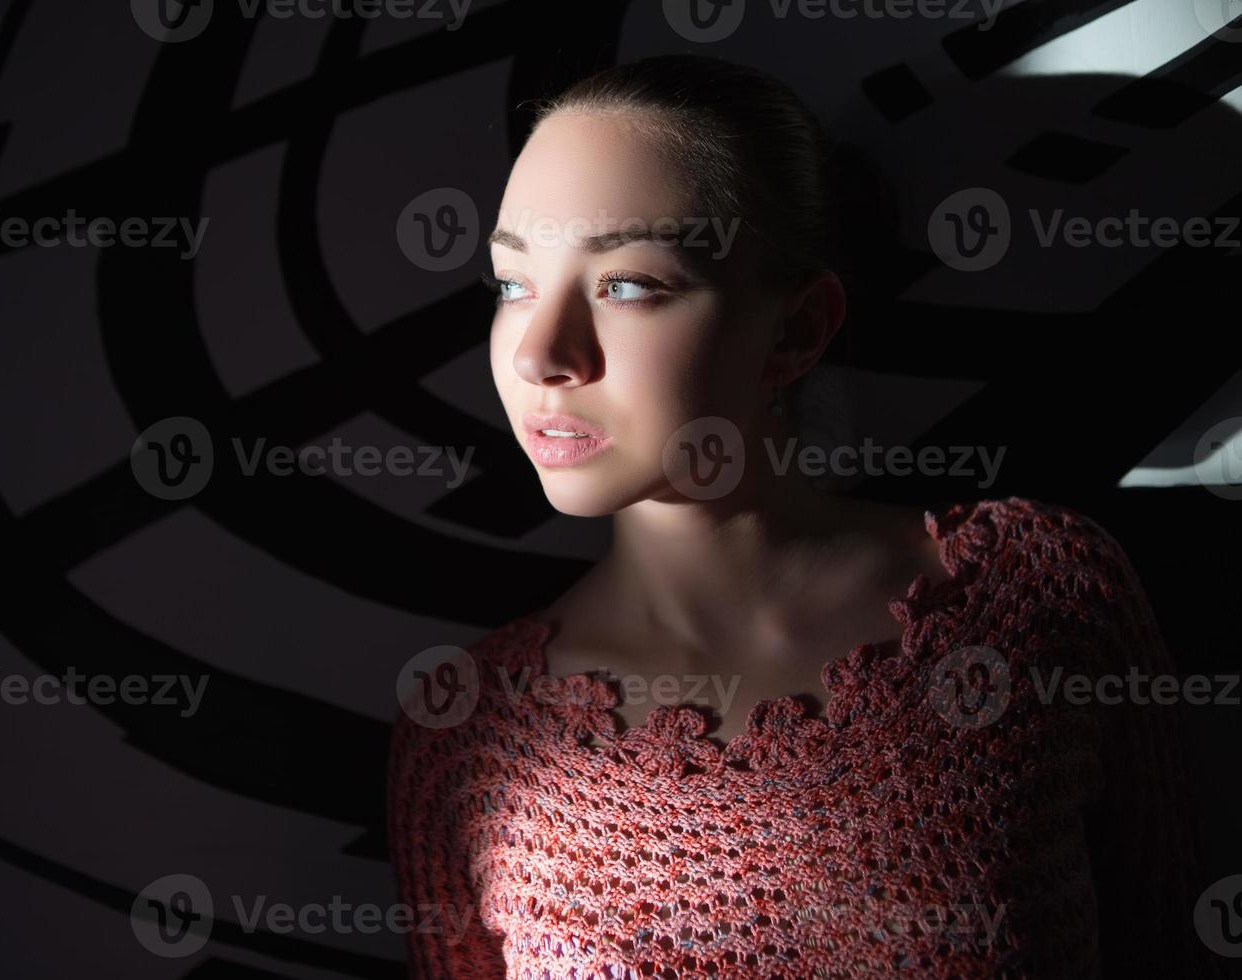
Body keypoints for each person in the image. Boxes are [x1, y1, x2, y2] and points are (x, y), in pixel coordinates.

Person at [387, 54, 1214, 978]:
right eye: (512, 285)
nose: (540, 354)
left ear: (795, 331)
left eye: (625, 285)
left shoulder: (1034, 597)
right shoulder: (468, 732)